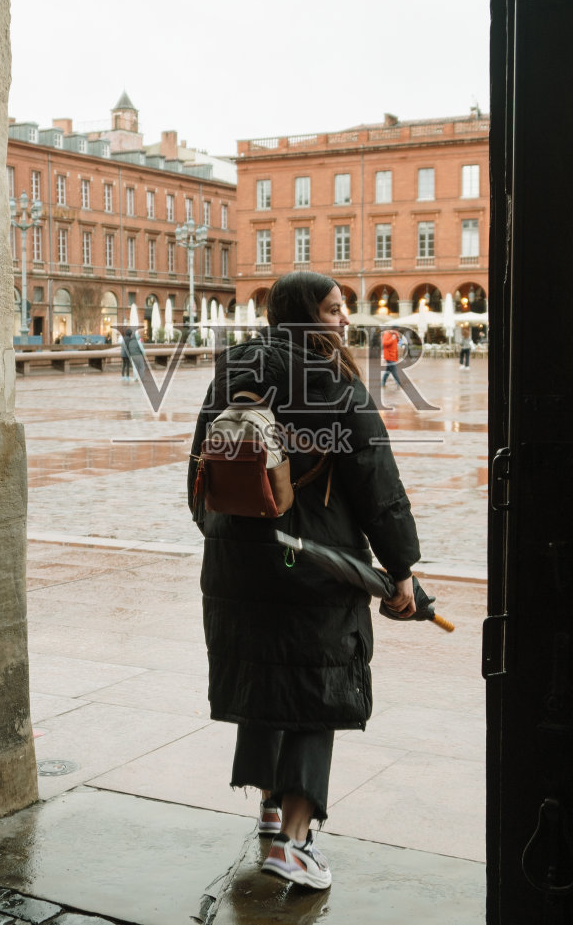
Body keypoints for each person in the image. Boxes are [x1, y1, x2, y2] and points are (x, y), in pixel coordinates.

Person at [188, 271, 419, 891]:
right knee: (317, 690)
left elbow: (199, 468)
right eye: (334, 309)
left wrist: (223, 535)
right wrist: (401, 568)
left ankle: (269, 807)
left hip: (238, 558)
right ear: (307, 316)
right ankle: (294, 845)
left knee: (268, 673)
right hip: (314, 562)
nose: (344, 319)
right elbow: (377, 484)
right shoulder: (334, 381)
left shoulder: (232, 370)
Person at [380, 326, 404, 391]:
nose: (397, 331)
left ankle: (383, 382)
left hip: (393, 356)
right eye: (396, 330)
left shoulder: (395, 334)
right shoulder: (386, 334)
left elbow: (398, 343)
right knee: (394, 370)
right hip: (389, 356)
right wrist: (392, 338)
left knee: (388, 370)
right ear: (392, 329)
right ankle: (398, 383)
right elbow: (384, 343)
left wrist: (398, 338)